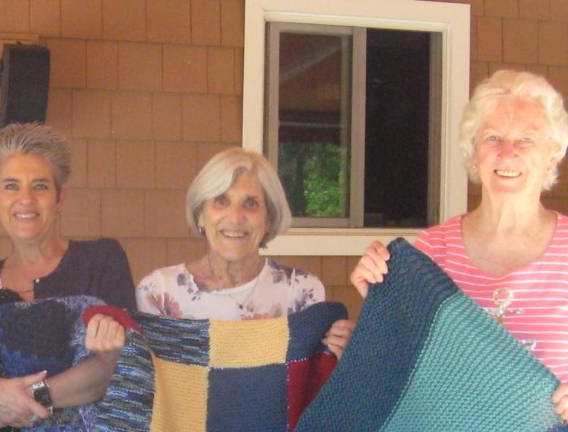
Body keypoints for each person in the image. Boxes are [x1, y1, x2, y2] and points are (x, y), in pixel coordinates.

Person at [349, 70, 568, 420]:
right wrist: (380, 298)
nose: (507, 152)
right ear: (474, 152)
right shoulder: (433, 250)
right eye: (493, 137)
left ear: (552, 154)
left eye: (526, 140)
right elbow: (400, 369)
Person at [0, 123, 134, 430]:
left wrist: (25, 399)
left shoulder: (100, 260)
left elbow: (121, 362)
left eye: (40, 186)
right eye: (11, 185)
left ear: (60, 196)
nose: (25, 199)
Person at [136, 147, 353, 358]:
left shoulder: (302, 292)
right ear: (201, 215)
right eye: (221, 201)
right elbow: (149, 384)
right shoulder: (158, 292)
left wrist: (346, 355)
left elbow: (316, 385)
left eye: (251, 204)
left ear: (269, 219)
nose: (236, 217)